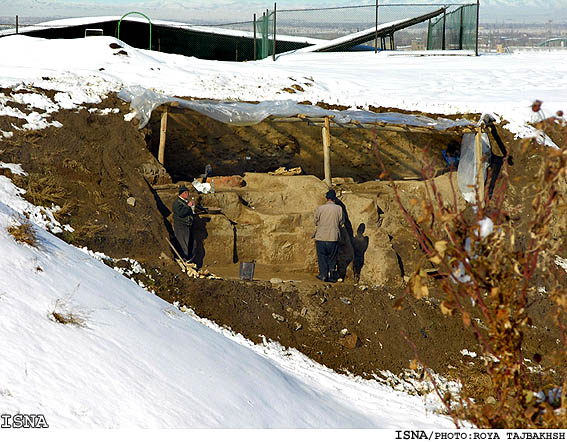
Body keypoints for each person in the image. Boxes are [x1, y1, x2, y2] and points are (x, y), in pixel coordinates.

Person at [314, 189, 344, 282]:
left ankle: (323, 275)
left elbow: (315, 221)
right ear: (334, 199)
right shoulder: (339, 208)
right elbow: (342, 221)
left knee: (322, 256)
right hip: (333, 237)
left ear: (326, 198)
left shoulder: (320, 208)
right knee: (332, 257)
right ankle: (331, 276)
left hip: (321, 237)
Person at [172, 185, 196, 263]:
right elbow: (181, 213)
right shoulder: (177, 203)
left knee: (191, 243)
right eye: (186, 193)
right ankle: (183, 260)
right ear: (182, 193)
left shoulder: (183, 202)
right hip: (180, 226)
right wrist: (188, 206)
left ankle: (189, 259)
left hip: (187, 226)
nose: (188, 195)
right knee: (183, 244)